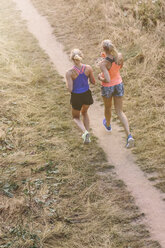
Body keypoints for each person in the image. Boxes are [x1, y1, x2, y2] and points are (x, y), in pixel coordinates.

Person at [98, 39, 134, 148]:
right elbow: (119, 67)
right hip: (119, 84)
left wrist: (100, 77)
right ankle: (129, 136)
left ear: (104, 49)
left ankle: (108, 125)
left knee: (108, 108)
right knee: (120, 111)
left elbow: (107, 79)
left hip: (108, 87)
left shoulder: (103, 63)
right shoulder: (119, 56)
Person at [65, 49, 95, 144]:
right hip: (86, 94)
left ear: (72, 59)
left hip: (76, 96)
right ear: (81, 56)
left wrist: (67, 83)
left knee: (76, 117)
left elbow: (70, 89)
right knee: (85, 113)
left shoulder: (70, 73)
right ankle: (87, 134)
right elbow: (93, 82)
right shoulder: (88, 68)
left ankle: (85, 132)